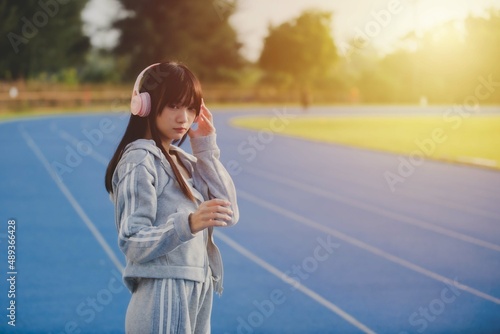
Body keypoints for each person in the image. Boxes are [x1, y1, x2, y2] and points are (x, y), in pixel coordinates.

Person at [104, 61, 239, 333]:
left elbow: (228, 212)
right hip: (163, 296)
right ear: (145, 105)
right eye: (174, 106)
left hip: (198, 289)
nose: (184, 118)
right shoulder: (139, 160)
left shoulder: (183, 161)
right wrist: (187, 223)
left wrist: (205, 146)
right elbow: (132, 241)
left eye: (191, 108)